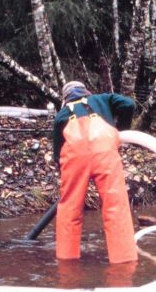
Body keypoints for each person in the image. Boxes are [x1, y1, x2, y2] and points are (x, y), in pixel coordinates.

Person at [52, 81, 138, 264]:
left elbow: (57, 155)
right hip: (104, 151)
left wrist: (68, 176)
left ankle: (67, 265)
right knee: (116, 207)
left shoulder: (62, 114)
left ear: (65, 98)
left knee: (69, 209)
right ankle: (124, 264)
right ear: (86, 92)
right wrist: (121, 131)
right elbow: (129, 104)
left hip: (74, 158)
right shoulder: (102, 99)